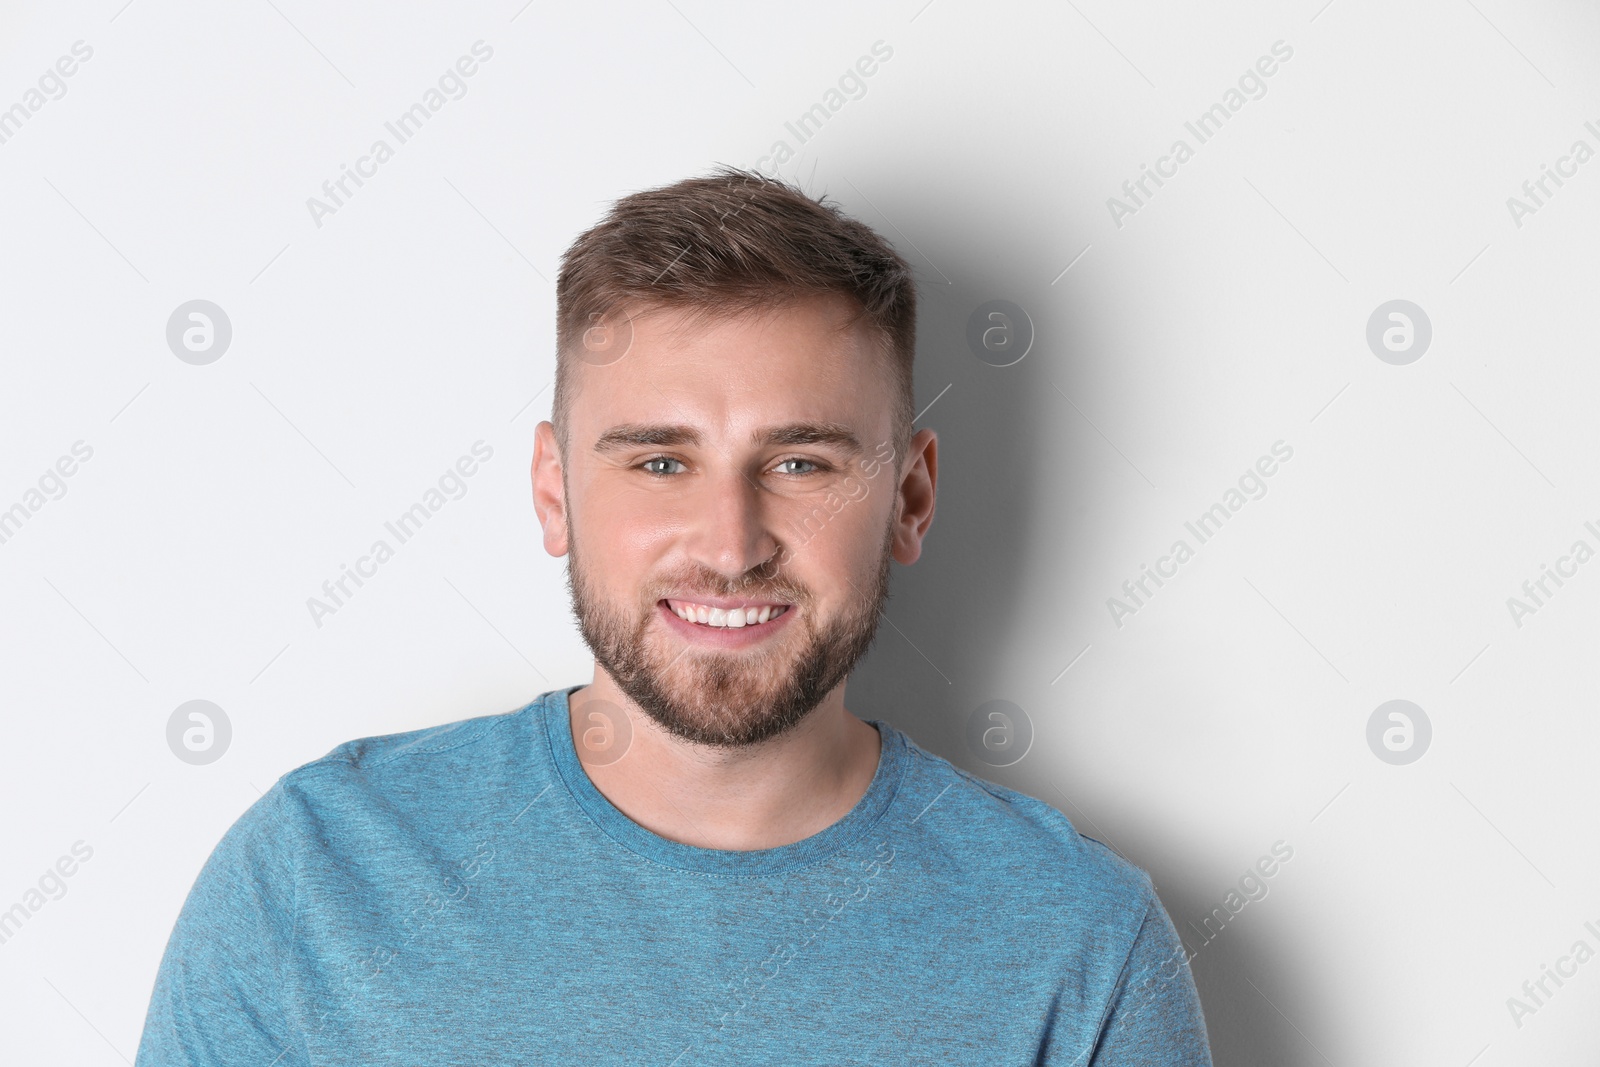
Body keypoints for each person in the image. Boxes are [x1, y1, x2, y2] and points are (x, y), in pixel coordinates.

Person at [134, 166, 1212, 1064]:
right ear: (554, 492)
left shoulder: (1076, 943)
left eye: (799, 461)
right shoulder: (316, 882)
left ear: (909, 497)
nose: (730, 542)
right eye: (659, 460)